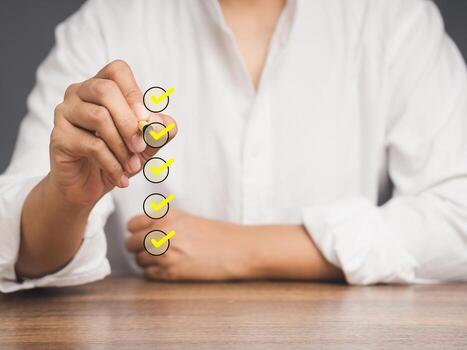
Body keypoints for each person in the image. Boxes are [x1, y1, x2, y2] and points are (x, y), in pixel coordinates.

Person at [1, 0, 466, 293]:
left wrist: (243, 249)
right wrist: (66, 201)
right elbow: (18, 251)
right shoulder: (106, 23)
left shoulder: (395, 18)